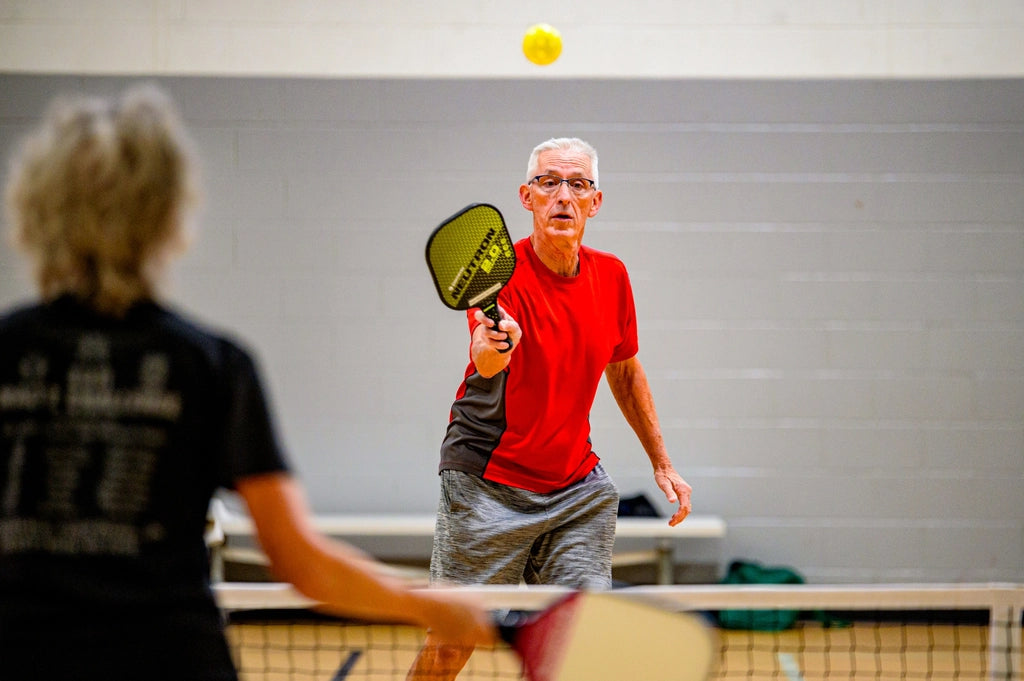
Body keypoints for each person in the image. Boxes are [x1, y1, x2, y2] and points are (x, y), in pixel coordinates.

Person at [0, 85, 494, 680]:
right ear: (168, 214)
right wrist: (429, 604)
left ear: (34, 206)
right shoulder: (210, 364)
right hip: (170, 661)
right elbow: (300, 561)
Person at [408, 137, 693, 680]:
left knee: (577, 640)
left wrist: (662, 463)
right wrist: (497, 344)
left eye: (578, 184)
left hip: (574, 487)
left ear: (596, 202)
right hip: (488, 479)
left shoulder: (612, 276)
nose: (564, 195)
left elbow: (626, 370)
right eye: (549, 182)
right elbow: (485, 359)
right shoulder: (496, 272)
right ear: (527, 196)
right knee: (453, 641)